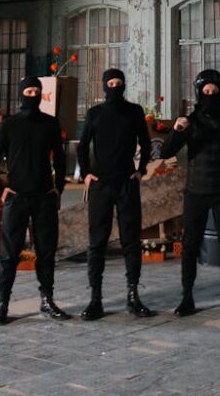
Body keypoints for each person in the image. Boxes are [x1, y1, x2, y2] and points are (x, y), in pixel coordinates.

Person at [160, 68, 220, 317]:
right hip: (196, 192)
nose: (210, 94)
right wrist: (177, 130)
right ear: (199, 93)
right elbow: (165, 153)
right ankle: (187, 297)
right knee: (190, 246)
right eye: (206, 91)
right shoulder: (189, 121)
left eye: (215, 91)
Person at [0, 74, 70, 324]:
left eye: (36, 92)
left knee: (46, 251)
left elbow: (60, 158)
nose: (32, 96)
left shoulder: (50, 124)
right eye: (29, 92)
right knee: (10, 253)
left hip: (44, 197)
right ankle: (2, 303)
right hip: (17, 198)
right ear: (21, 94)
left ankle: (47, 299)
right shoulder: (9, 125)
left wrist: (59, 187)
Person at [77, 68, 153, 320]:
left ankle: (133, 296)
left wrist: (141, 170)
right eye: (111, 83)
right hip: (100, 185)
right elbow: (82, 145)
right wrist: (85, 174)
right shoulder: (95, 113)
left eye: (119, 83)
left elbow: (146, 141)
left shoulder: (134, 111)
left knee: (131, 240)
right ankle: (95, 299)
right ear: (104, 86)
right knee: (97, 242)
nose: (115, 86)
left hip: (126, 183)